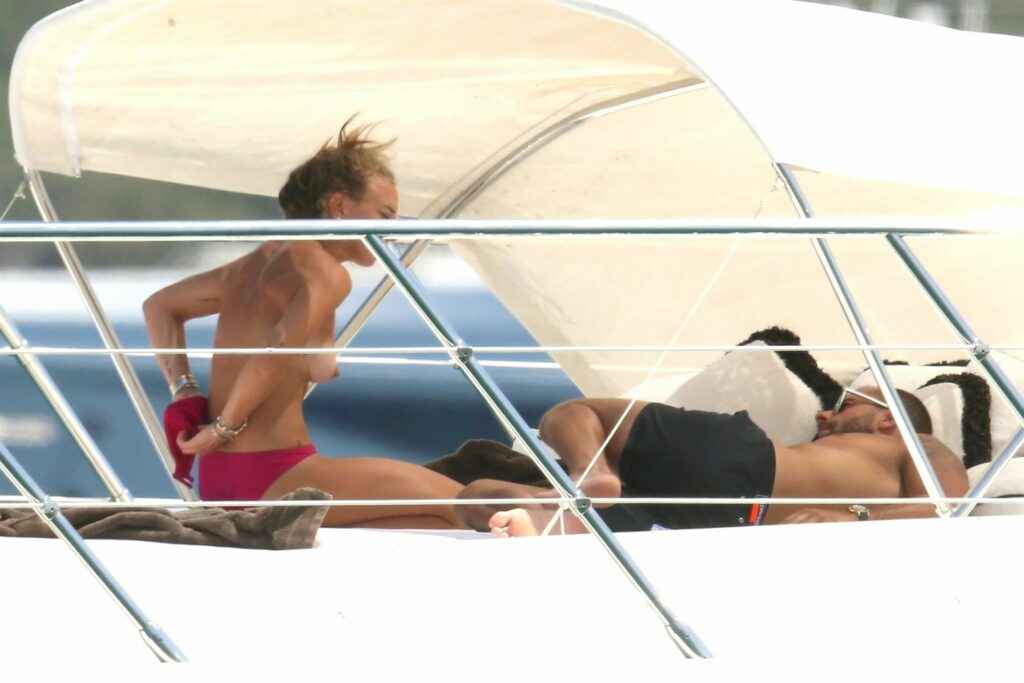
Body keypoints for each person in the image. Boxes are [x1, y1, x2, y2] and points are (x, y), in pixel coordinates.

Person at [144, 119, 465, 529]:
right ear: (339, 206)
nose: (391, 229)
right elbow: (276, 351)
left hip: (221, 479)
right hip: (275, 473)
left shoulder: (253, 265)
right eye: (384, 215)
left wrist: (184, 390)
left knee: (430, 525)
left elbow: (159, 307)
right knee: (465, 502)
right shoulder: (327, 275)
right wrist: (222, 429)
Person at [458, 386, 969, 536]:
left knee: (577, 412)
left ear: (888, 421)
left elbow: (948, 507)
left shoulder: (919, 445)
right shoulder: (869, 458)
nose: (824, 412)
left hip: (739, 470)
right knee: (473, 499)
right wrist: (847, 516)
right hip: (728, 513)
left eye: (846, 405)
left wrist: (850, 517)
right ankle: (577, 485)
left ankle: (585, 474)